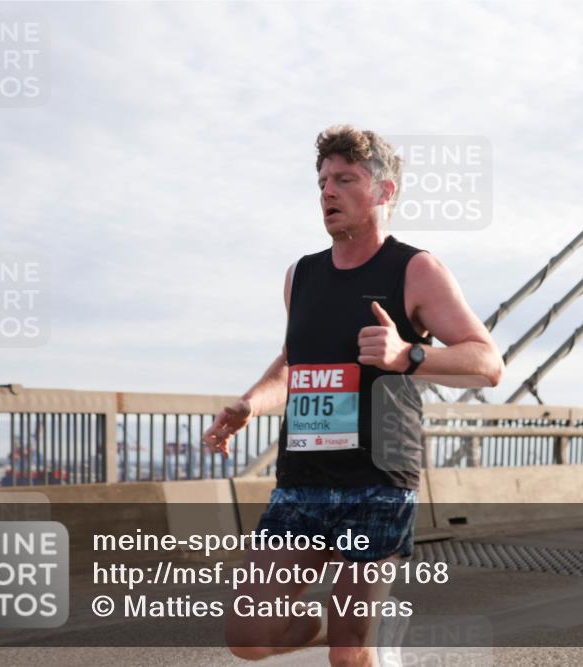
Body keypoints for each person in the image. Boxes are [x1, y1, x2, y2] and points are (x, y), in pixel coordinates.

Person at [204, 125, 503, 667]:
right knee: (248, 635)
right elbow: (295, 361)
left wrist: (407, 355)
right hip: (303, 481)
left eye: (345, 179)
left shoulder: (415, 270)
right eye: (322, 181)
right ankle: (332, 632)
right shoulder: (302, 275)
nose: (328, 192)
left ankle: (354, 640)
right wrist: (250, 403)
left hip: (378, 483)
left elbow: (487, 363)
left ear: (385, 192)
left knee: (351, 658)